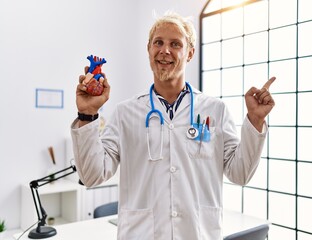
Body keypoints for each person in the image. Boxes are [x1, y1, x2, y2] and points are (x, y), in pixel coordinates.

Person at [71, 11, 276, 240]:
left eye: (175, 44)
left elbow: (240, 174)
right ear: (149, 49)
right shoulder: (125, 113)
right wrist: (87, 114)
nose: (165, 50)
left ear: (190, 53)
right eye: (158, 42)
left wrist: (255, 121)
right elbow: (90, 175)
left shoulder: (215, 110)